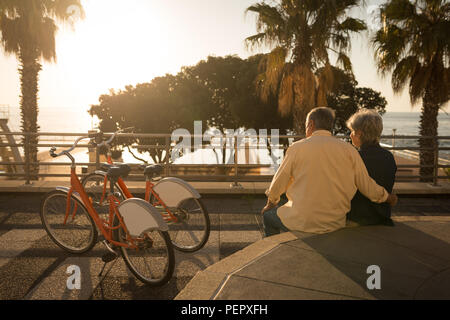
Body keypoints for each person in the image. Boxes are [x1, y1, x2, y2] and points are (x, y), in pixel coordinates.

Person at [261, 107, 398, 237]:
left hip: (302, 221)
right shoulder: (349, 150)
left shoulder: (296, 148)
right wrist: (387, 197)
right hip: (335, 223)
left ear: (311, 124)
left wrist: (271, 202)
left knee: (268, 216)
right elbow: (367, 185)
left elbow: (279, 181)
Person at [346, 109, 397, 226]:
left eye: (352, 131)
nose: (350, 135)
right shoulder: (388, 156)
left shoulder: (355, 158)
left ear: (359, 133)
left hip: (357, 216)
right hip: (382, 216)